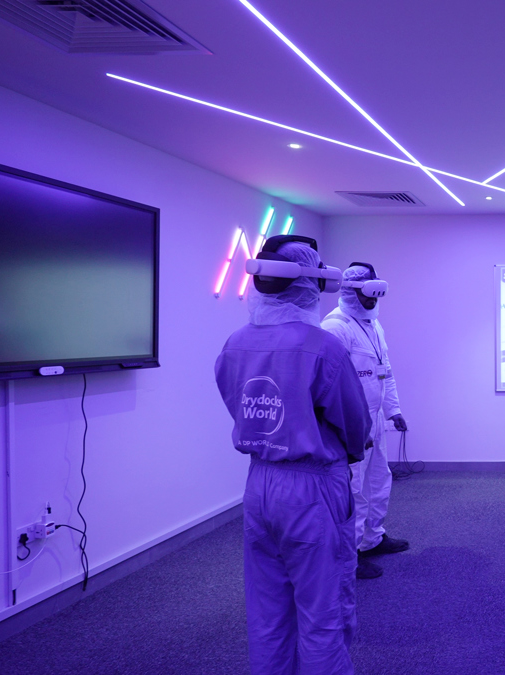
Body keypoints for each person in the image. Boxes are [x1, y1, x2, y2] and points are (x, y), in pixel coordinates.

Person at [214, 236, 370, 675]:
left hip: (259, 485)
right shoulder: (322, 347)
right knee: (323, 612)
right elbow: (354, 425)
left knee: (267, 612)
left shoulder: (235, 344)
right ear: (310, 285)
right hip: (312, 489)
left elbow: (235, 403)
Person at [322, 263, 410, 579]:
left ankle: (372, 538)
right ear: (351, 292)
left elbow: (385, 372)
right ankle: (350, 554)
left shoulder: (373, 325)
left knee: (378, 481)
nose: (372, 301)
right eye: (366, 295)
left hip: (374, 419)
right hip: (353, 424)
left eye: (375, 295)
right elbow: (332, 387)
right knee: (353, 489)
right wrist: (354, 428)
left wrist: (393, 410)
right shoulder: (335, 328)